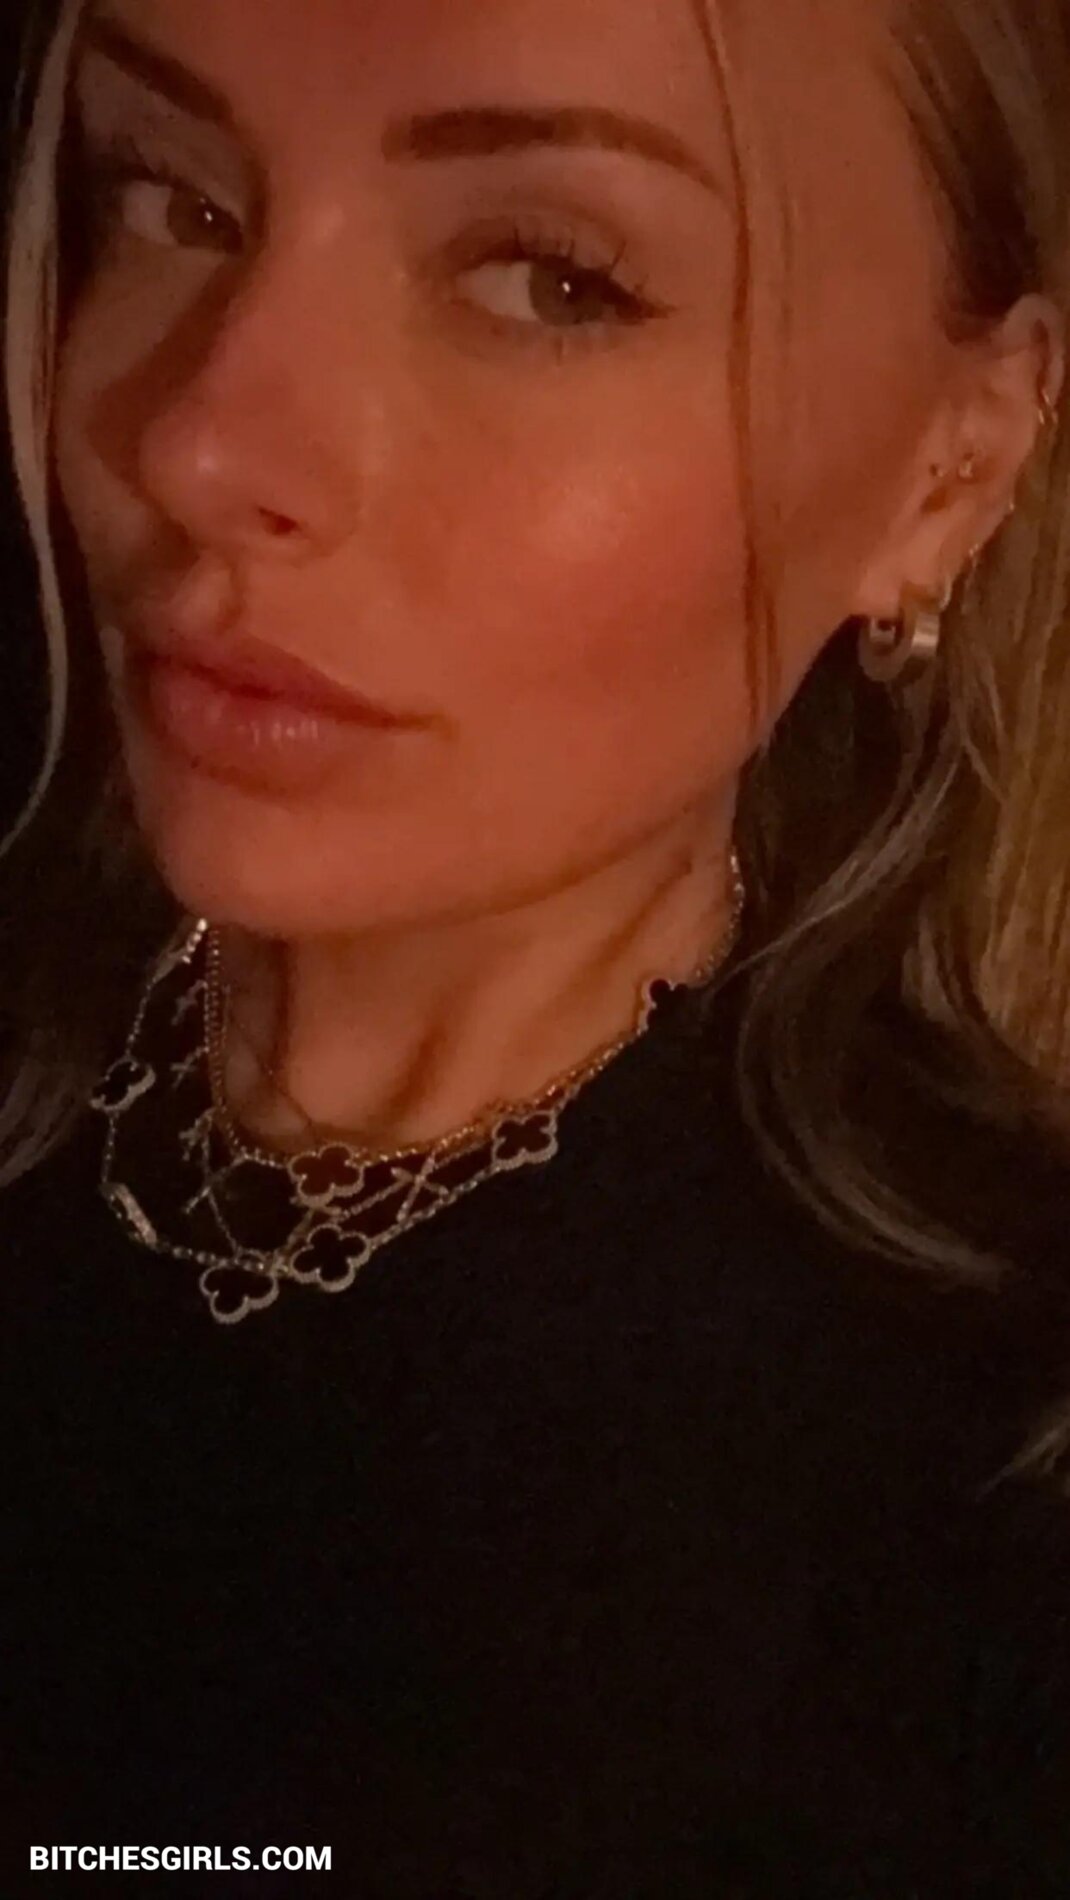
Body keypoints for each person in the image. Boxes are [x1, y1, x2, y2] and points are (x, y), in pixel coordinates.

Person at [2, 0, 1069, 1891]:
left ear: (949, 465)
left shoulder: (976, 1500)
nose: (197, 442)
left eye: (550, 280)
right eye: (170, 196)